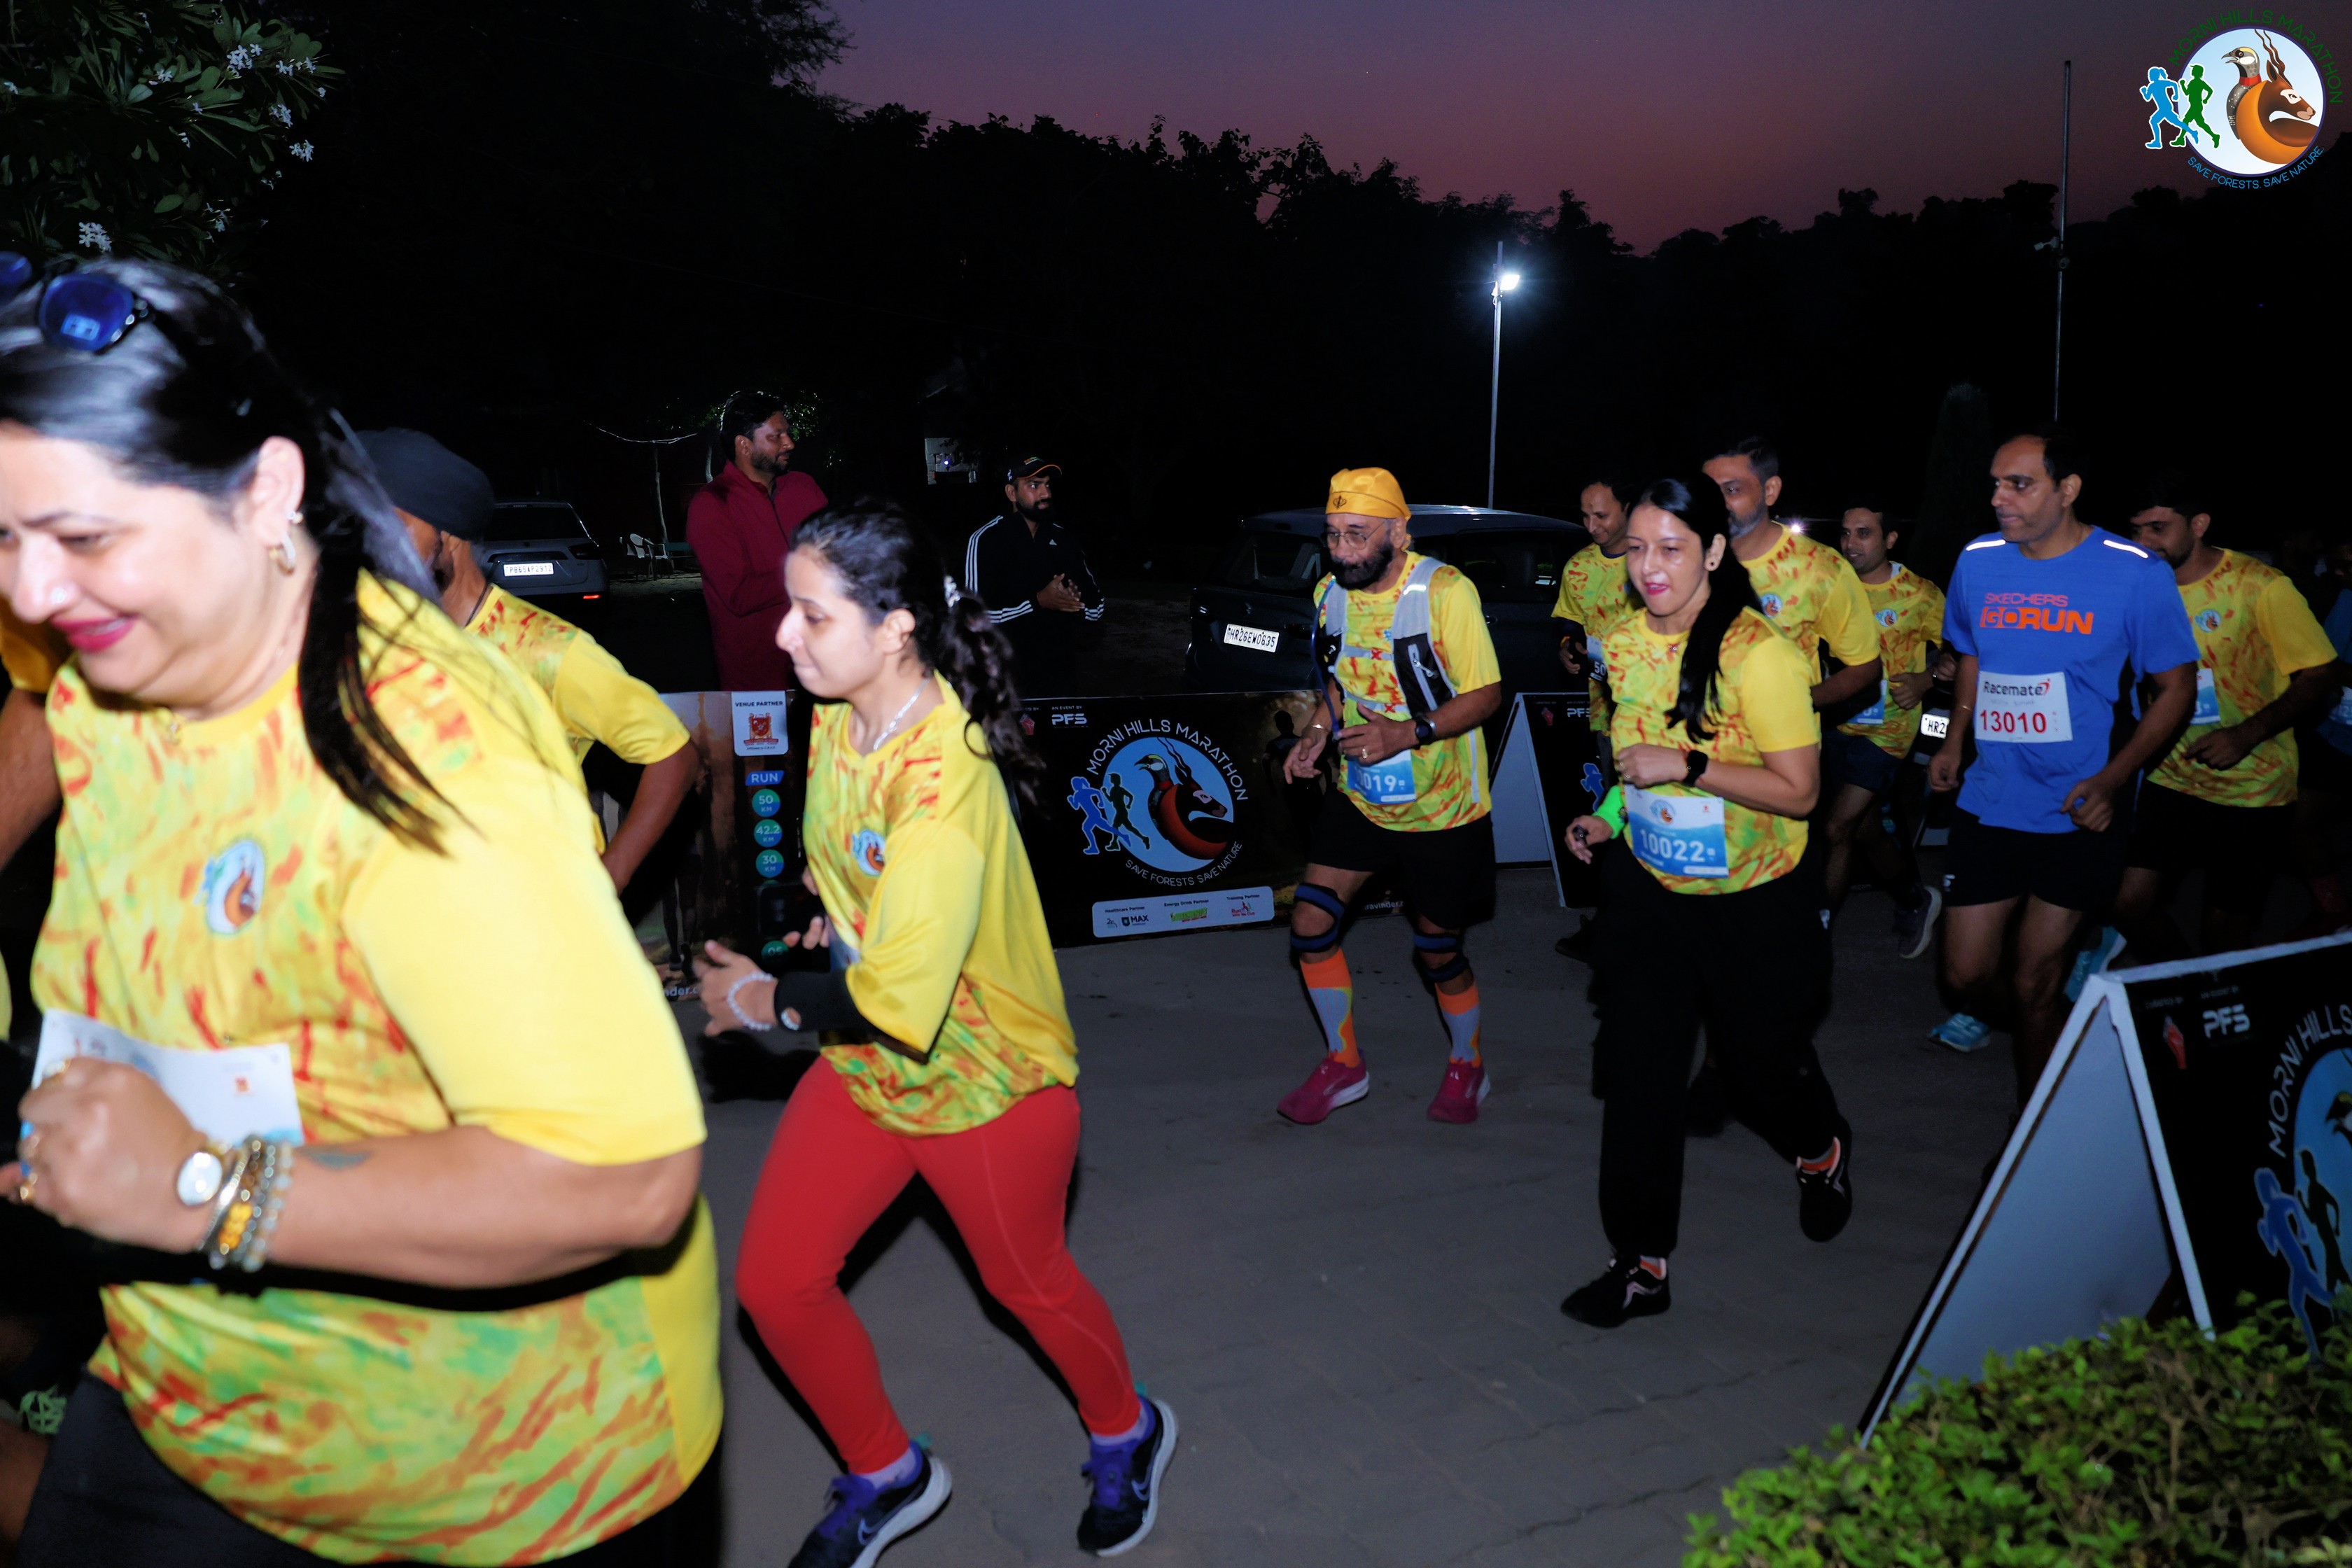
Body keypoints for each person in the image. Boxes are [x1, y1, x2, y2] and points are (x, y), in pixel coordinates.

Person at [0, 262, 718, 1565]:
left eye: (86, 538)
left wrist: (200, 1186)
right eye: (4, 541)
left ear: (265, 494)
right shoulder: (111, 662)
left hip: (464, 1460)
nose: (37, 594)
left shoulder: (415, 747)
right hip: (180, 1376)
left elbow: (624, 1178)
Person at [692, 503, 1172, 1565]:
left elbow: (900, 998)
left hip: (988, 1078)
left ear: (895, 628)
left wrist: (763, 1001)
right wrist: (832, 909)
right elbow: (850, 861)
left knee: (1027, 1285)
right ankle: (888, 1472)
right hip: (873, 1067)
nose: (785, 633)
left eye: (813, 615)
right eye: (789, 608)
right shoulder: (838, 708)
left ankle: (1128, 1429)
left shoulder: (943, 783)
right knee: (776, 1287)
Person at [1559, 477, 1851, 1329]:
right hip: (1651, 894)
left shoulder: (1760, 654)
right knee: (1639, 1077)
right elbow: (1633, 760)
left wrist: (1689, 765)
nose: (1649, 567)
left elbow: (1800, 792)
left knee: (1758, 1072)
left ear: (1715, 552)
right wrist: (1609, 817)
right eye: (1638, 548)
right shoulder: (1620, 642)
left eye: (1672, 548)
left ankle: (1821, 1148)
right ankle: (1641, 1263)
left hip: (1754, 902)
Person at [1929, 428, 2199, 1106]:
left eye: (2019, 484)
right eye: (1996, 484)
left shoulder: (2135, 571)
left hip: (2081, 806)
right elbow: (1970, 654)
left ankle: (2034, 1129)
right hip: (1991, 797)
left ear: (2068, 489)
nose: (1999, 498)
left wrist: (2114, 780)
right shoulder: (1978, 561)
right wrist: (1955, 739)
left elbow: (2176, 689)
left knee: (2034, 980)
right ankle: (2052, 1030)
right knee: (1965, 975)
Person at [364, 428, 704, 893]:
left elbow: (674, 756)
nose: (376, 549)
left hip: (540, 906)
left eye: (394, 529)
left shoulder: (544, 649)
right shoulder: (386, 640)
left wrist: (612, 875)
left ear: (449, 534)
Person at [1270, 468, 1504, 1126]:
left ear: (1399, 533)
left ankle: (1468, 1063)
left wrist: (1407, 732)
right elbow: (1337, 683)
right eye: (1332, 535)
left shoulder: (1445, 592)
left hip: (1444, 808)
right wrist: (1316, 734)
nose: (1340, 550)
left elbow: (1487, 693)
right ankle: (1344, 1062)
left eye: (1357, 534)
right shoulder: (1329, 593)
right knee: (1310, 924)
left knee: (1438, 951)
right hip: (1364, 797)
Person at [2110, 475, 2339, 957]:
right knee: (2127, 903)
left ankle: (2218, 990)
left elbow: (2321, 675)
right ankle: (2187, 985)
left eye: (2157, 528)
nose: (2143, 542)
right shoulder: (2138, 587)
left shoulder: (2261, 586)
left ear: (2198, 525)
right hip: (2168, 776)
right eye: (2135, 530)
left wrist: (2247, 733)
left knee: (2224, 932)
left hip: (2252, 790)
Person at [1821, 503, 1945, 955]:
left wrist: (1927, 679)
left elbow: (1963, 651)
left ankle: (1817, 931)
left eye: (1864, 533)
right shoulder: (1831, 585)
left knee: (1836, 829)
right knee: (1864, 829)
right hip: (1836, 723)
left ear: (1890, 539)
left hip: (1888, 731)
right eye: (1845, 533)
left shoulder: (1920, 594)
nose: (1850, 544)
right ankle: (1914, 898)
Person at [1702, 437, 1882, 715]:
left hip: (1778, 740)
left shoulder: (1819, 568)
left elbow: (1865, 665)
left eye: (1732, 490)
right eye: (1708, 491)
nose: (1717, 503)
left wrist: (1799, 702)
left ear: (1770, 490)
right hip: (1696, 736)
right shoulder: (1684, 557)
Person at [1550, 477, 1638, 961]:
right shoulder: (1580, 566)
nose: (1592, 526)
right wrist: (1567, 647)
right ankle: (1615, 924)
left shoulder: (1652, 559)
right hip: (1609, 715)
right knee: (1617, 815)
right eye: (1585, 516)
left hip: (1659, 715)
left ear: (1628, 507)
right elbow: (1570, 625)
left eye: (1601, 515)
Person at [687, 393, 828, 690]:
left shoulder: (803, 488)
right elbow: (739, 595)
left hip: (824, 667)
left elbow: (840, 552)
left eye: (787, 433)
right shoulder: (713, 505)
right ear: (744, 445)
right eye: (776, 436)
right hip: (758, 681)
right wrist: (809, 572)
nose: (789, 443)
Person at [961, 455, 1104, 697]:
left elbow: (1097, 608)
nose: (1046, 493)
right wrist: (1038, 601)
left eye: (1047, 485)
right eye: (1034, 485)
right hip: (1006, 683)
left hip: (1060, 680)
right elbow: (973, 619)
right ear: (1011, 493)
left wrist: (1075, 604)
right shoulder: (985, 540)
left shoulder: (1063, 539)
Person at [2289, 528, 2352, 938]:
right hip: (2336, 732)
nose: (2341, 573)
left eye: (2348, 564)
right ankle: (2334, 909)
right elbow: (2324, 659)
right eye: (2336, 565)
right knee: (2297, 818)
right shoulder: (2346, 596)